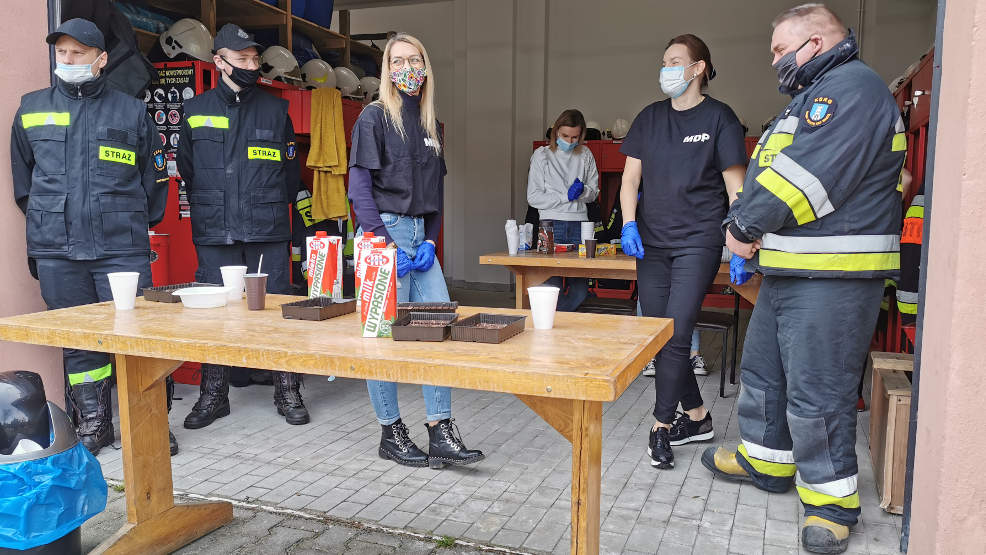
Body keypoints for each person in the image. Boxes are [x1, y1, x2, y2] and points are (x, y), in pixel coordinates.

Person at [701, 5, 905, 553]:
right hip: (794, 266)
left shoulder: (850, 90)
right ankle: (765, 461)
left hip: (834, 273)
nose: (774, 60)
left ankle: (831, 502)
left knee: (820, 391)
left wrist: (743, 223)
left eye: (778, 49)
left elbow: (802, 178)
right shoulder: (813, 97)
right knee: (764, 371)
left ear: (813, 43)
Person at [10, 19, 173, 456]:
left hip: (120, 246)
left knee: (137, 334)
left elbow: (154, 180)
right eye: (62, 53)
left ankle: (150, 417)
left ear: (100, 60)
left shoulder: (131, 111)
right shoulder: (31, 107)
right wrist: (55, 222)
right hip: (58, 250)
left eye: (78, 53)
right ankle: (94, 422)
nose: (68, 60)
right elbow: (24, 185)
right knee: (79, 340)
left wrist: (125, 221)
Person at [348, 33, 484, 470]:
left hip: (420, 237)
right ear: (387, 69)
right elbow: (359, 189)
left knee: (438, 329)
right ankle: (391, 432)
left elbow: (436, 193)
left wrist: (429, 240)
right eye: (398, 60)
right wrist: (385, 245)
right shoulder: (373, 119)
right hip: (381, 233)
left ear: (426, 66)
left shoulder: (430, 126)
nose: (407, 68)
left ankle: (440, 429)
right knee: (382, 338)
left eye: (415, 59)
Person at [619, 34, 747, 469]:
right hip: (651, 242)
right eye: (664, 60)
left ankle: (660, 426)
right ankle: (697, 417)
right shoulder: (650, 118)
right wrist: (629, 222)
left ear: (698, 68)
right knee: (658, 334)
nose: (666, 68)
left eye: (675, 61)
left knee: (676, 332)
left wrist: (741, 238)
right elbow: (630, 181)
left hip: (698, 241)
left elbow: (736, 188)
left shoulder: (720, 118)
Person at [176, 23, 309, 428]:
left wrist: (262, 204)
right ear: (219, 61)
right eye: (242, 58)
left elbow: (290, 174)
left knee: (277, 308)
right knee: (212, 311)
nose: (251, 65)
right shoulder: (195, 110)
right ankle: (214, 394)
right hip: (215, 226)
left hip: (267, 226)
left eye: (254, 58)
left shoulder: (275, 109)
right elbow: (188, 169)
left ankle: (287, 389)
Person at [527, 109, 600, 311]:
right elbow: (533, 197)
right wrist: (564, 196)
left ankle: (557, 318)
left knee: (580, 290)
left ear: (582, 135)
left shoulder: (586, 155)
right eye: (565, 136)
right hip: (551, 225)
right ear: (556, 132)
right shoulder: (542, 156)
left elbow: (594, 193)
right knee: (551, 286)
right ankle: (554, 325)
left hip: (580, 226)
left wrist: (582, 192)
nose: (569, 141)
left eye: (575, 137)